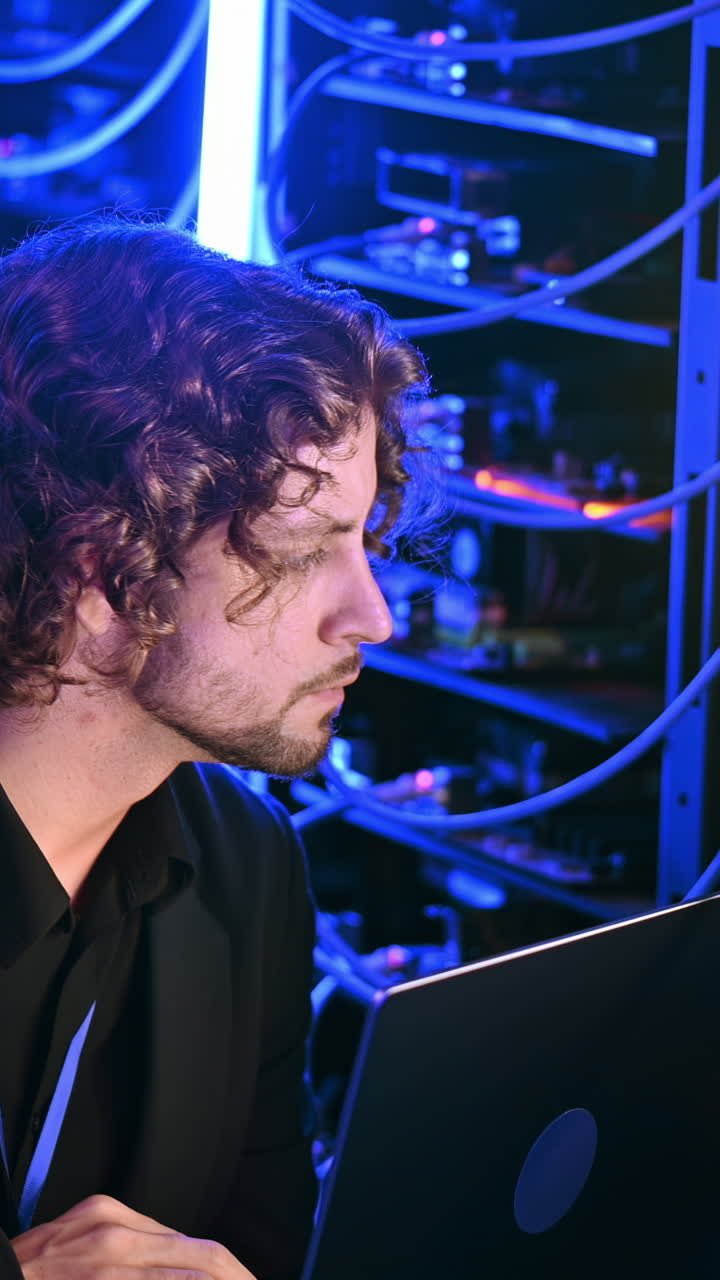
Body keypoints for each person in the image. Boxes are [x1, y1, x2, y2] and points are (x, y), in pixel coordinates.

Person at [0, 217, 427, 1279]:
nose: (373, 618)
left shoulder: (248, 868)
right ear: (100, 573)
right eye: (303, 551)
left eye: (364, 540)